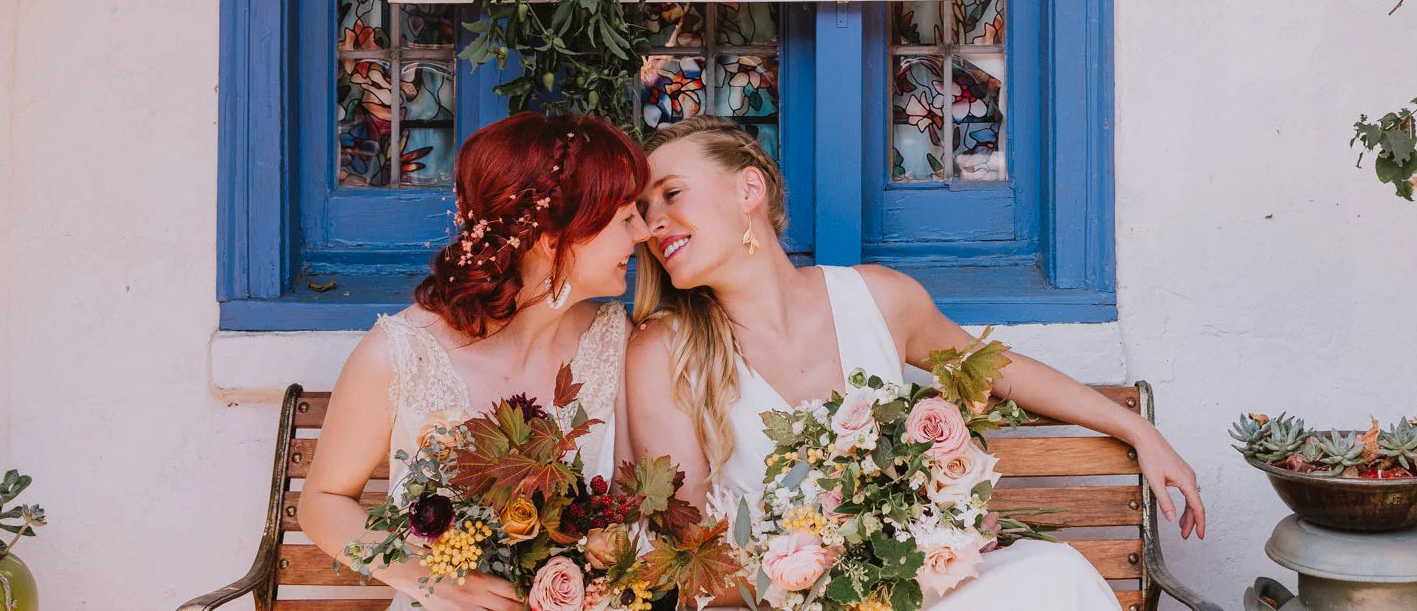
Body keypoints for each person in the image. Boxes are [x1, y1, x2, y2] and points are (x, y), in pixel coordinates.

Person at [626, 115, 1207, 610]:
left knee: (1053, 576)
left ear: (748, 190)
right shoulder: (666, 353)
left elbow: (996, 368)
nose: (654, 224)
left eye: (672, 194)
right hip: (792, 600)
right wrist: (826, 562)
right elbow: (689, 555)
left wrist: (1137, 429)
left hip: (916, 587)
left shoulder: (877, 299)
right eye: (645, 209)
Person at [298, 112, 651, 611]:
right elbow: (322, 503)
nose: (643, 232)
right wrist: (431, 580)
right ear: (554, 239)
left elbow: (629, 508)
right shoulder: (398, 353)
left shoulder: (618, 342)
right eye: (624, 217)